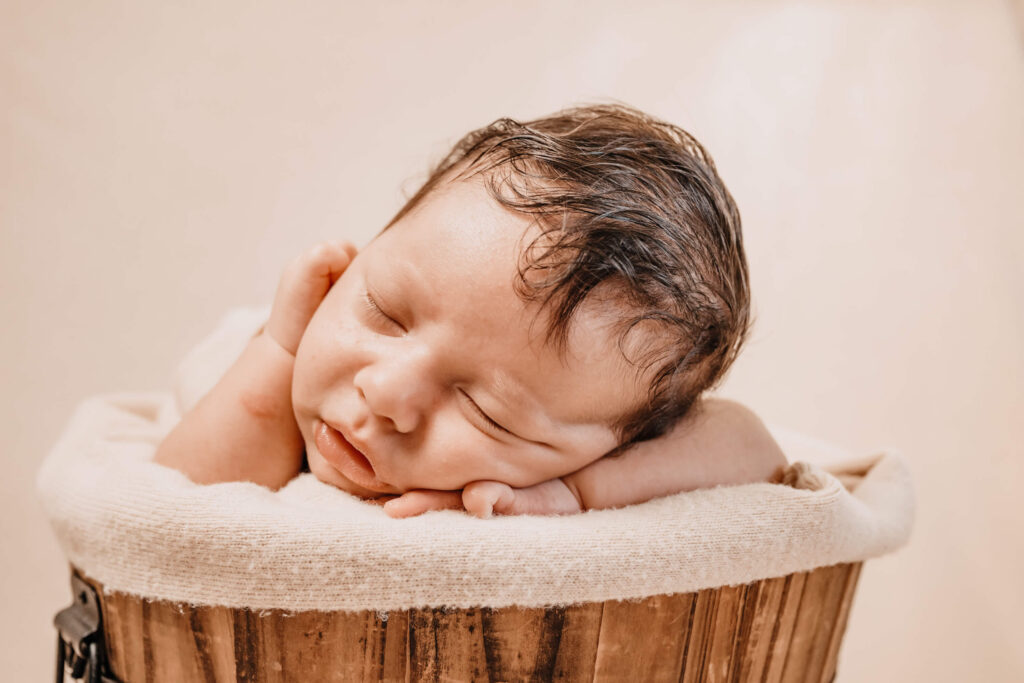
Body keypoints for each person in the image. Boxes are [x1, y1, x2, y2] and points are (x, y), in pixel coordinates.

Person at [155, 104, 786, 518]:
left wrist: (575, 492)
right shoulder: (252, 361)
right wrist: (282, 348)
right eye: (384, 311)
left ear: (609, 449)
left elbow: (755, 449)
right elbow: (171, 516)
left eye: (489, 412)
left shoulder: (582, 469)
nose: (385, 392)